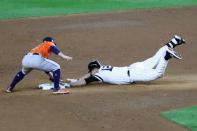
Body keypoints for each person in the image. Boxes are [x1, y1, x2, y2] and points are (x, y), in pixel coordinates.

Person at [67, 35, 185, 87]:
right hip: (135, 67)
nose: (90, 73)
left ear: (94, 70)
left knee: (158, 74)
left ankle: (167, 57)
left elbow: (85, 81)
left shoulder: (99, 75)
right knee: (154, 58)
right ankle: (173, 42)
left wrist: (72, 84)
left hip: (134, 73)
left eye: (91, 71)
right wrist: (78, 78)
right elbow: (89, 75)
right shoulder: (102, 69)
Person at [6, 37, 72, 94]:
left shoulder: (39, 47)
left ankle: (10, 87)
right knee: (56, 67)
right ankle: (57, 89)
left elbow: (45, 68)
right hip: (36, 59)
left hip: (26, 59)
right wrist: (64, 56)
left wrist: (52, 77)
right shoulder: (48, 43)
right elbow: (53, 48)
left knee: (22, 72)